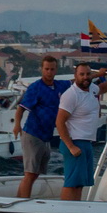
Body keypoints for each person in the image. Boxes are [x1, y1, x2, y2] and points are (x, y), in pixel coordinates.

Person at [55, 63, 107, 201]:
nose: (85, 77)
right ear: (75, 76)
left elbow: (102, 88)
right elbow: (59, 122)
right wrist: (71, 146)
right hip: (75, 143)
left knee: (80, 184)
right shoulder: (71, 95)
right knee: (72, 184)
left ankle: (76, 211)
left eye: (88, 74)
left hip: (87, 142)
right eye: (82, 74)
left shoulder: (92, 89)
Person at [12, 55, 73, 198]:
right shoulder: (35, 88)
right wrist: (17, 125)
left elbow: (76, 81)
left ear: (56, 69)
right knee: (30, 173)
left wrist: (99, 74)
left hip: (46, 136)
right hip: (33, 133)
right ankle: (23, 203)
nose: (49, 72)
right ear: (42, 69)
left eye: (52, 69)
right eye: (46, 69)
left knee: (35, 173)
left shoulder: (60, 85)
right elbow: (20, 108)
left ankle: (20, 198)